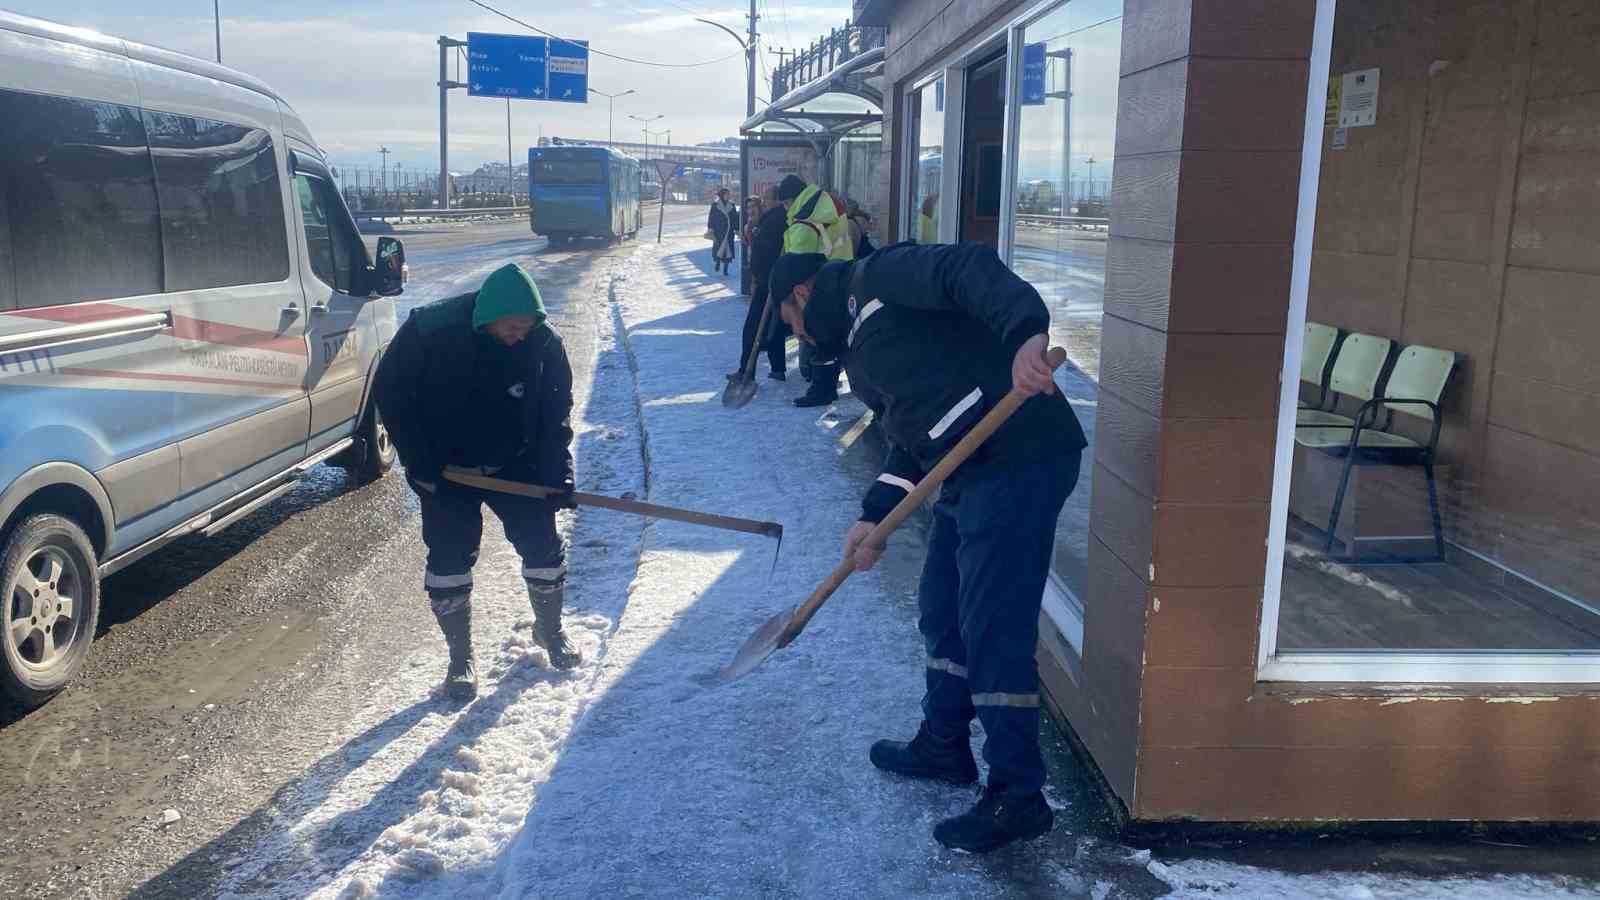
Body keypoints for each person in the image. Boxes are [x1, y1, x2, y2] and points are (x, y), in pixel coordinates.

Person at [767, 242, 1086, 854]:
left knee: (992, 626)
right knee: (941, 609)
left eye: (790, 322)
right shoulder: (863, 357)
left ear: (802, 294)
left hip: (1021, 454)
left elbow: (967, 268)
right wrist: (874, 518)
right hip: (968, 468)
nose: (799, 336)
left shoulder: (882, 278)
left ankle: (1018, 796)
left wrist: (1025, 333)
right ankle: (944, 745)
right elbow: (909, 435)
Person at [372, 263, 583, 702]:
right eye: (512, 326)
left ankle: (551, 630)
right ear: (487, 316)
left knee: (544, 549)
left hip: (516, 466)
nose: (519, 334)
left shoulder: (545, 345)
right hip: (447, 471)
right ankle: (460, 659)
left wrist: (558, 474)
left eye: (527, 326)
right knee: (449, 561)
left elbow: (554, 417)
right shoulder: (430, 331)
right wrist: (419, 461)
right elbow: (391, 394)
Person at [774, 175, 853, 408]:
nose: (785, 209)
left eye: (785, 204)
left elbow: (795, 267)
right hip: (843, 273)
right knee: (833, 335)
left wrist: (780, 290)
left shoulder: (804, 225)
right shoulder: (824, 207)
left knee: (821, 336)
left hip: (823, 285)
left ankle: (822, 389)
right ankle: (826, 384)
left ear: (792, 200)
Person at [730, 185, 792, 382]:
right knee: (775, 325)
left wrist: (756, 277)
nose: (763, 202)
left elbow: (763, 253)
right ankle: (778, 368)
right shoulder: (779, 219)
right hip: (775, 280)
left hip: (767, 281)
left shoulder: (772, 221)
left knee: (752, 327)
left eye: (766, 199)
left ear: (776, 201)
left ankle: (745, 370)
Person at [707, 188, 739, 276]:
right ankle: (717, 262)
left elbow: (735, 217)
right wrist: (710, 228)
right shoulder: (715, 205)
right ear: (722, 195)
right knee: (718, 247)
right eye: (726, 194)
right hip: (719, 230)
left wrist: (736, 228)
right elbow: (711, 217)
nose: (728, 196)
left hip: (729, 231)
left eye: (729, 194)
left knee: (728, 251)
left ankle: (725, 269)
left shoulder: (732, 205)